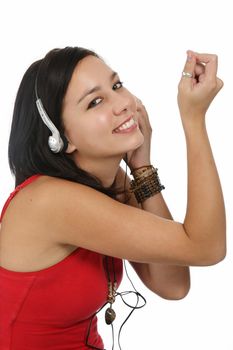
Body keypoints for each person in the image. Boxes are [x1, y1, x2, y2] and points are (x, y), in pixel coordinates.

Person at [0, 46, 226, 350]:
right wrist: (194, 118)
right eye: (95, 102)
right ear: (58, 136)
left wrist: (142, 169)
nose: (123, 103)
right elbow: (206, 247)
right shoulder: (50, 201)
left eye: (117, 85)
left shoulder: (108, 183)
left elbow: (172, 284)